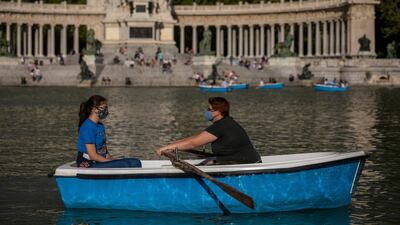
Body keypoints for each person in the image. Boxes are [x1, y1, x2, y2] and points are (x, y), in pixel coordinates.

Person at [156, 97, 261, 165]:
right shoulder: (224, 123)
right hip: (243, 159)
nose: (206, 112)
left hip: (246, 162)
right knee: (206, 162)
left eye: (209, 110)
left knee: (206, 163)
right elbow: (197, 138)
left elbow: (194, 143)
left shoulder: (222, 126)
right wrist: (174, 144)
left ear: (218, 112)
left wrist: (167, 148)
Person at [77, 95, 141, 168]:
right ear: (93, 109)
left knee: (135, 162)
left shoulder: (100, 126)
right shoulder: (88, 127)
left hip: (100, 161)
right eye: (103, 108)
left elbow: (105, 151)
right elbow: (92, 156)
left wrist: (112, 160)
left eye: (106, 107)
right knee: (127, 164)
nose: (105, 110)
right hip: (89, 162)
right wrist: (111, 162)